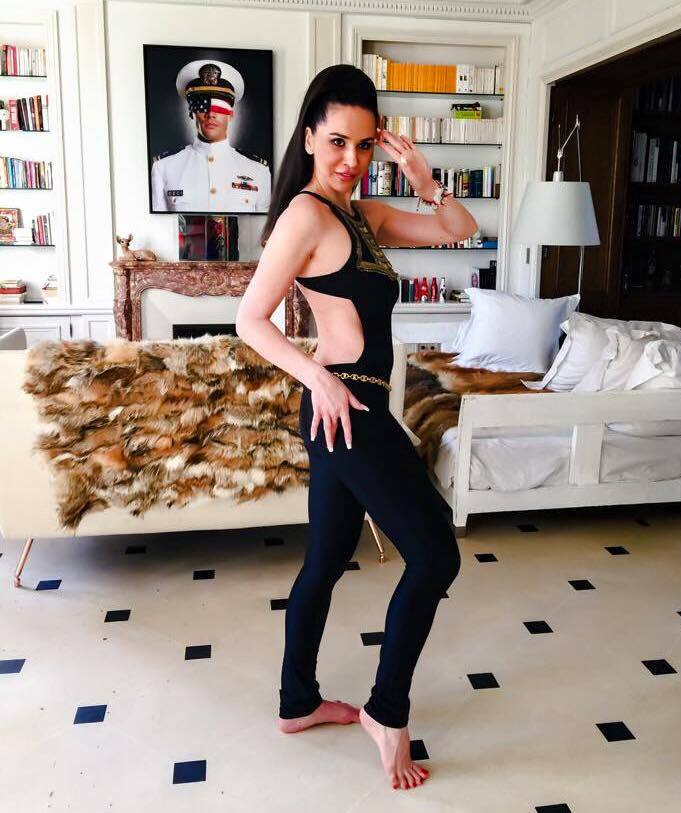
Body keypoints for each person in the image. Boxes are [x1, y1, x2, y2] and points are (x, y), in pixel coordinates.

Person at [235, 64, 478, 791]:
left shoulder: (363, 215)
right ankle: (386, 711)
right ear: (310, 136)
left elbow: (459, 230)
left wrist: (424, 178)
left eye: (365, 144)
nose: (351, 158)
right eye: (338, 140)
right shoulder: (305, 217)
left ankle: (297, 702)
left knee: (328, 555)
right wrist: (316, 376)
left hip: (355, 407)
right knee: (434, 556)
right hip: (345, 408)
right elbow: (250, 319)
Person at [150, 59, 271, 213]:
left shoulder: (257, 170)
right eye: (202, 106)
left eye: (219, 108)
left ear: (231, 115)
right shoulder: (164, 167)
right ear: (192, 113)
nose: (211, 114)